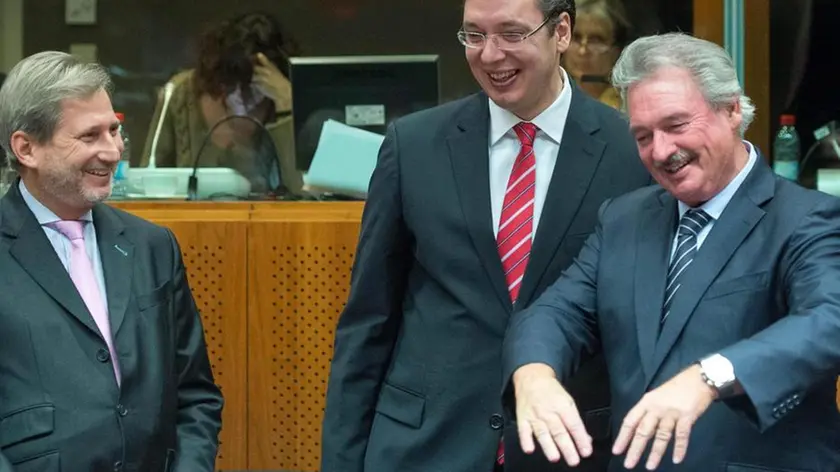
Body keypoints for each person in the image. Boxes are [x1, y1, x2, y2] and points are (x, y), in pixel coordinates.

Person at [319, 0, 651, 470]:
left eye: (511, 34)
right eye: (474, 35)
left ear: (560, 32)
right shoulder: (413, 147)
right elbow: (368, 323)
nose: (490, 55)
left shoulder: (629, 152)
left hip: (572, 446)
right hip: (425, 447)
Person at [503, 32, 840, 471]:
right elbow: (556, 313)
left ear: (732, 109)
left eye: (676, 125)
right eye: (643, 136)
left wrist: (709, 377)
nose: (661, 151)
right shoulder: (624, 219)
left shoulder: (805, 218)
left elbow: (827, 322)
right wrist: (533, 374)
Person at [0, 51, 223, 471]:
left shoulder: (152, 246)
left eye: (115, 131)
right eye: (89, 137)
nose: (113, 151)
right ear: (26, 148)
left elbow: (195, 394)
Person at [139, 11, 304, 196]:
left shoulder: (284, 101)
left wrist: (288, 105)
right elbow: (147, 185)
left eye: (254, 87)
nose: (241, 100)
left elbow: (304, 193)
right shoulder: (181, 93)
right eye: (232, 85)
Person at [561, 0, 630, 109]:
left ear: (616, 49)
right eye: (576, 37)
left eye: (596, 40)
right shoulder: (546, 100)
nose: (582, 51)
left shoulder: (629, 105)